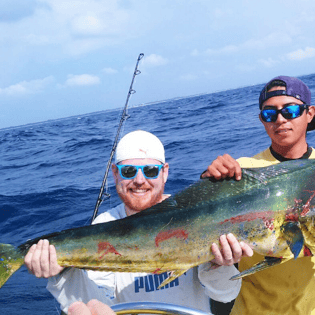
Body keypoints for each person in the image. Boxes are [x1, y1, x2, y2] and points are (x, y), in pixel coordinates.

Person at [24, 130, 252, 314]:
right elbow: (97, 304)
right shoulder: (104, 224)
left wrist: (219, 265)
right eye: (129, 170)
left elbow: (224, 295)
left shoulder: (193, 216)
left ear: (165, 173)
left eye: (151, 170)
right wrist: (62, 275)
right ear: (115, 173)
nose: (139, 180)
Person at [202, 75, 315, 315]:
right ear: (262, 120)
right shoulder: (242, 172)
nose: (280, 120)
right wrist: (210, 181)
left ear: (310, 113)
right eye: (269, 114)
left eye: (291, 110)